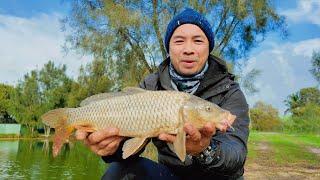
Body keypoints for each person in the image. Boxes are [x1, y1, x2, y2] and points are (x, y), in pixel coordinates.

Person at [76, 8, 250, 180]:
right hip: (169, 175)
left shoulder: (229, 90)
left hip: (218, 178)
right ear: (169, 47)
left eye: (198, 41)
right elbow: (127, 150)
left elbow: (236, 154)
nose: (188, 49)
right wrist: (112, 149)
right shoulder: (151, 85)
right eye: (179, 41)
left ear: (208, 47)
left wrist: (205, 150)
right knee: (119, 172)